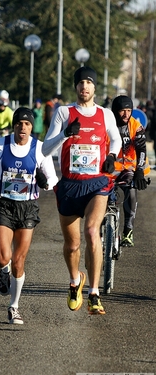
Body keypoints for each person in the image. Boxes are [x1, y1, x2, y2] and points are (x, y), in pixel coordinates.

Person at [42, 66, 122, 315]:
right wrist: (65, 134)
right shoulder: (63, 112)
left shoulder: (105, 114)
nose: (84, 87)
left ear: (95, 87)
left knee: (91, 231)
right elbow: (45, 150)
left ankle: (94, 294)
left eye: (89, 82)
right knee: (72, 246)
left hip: (97, 183)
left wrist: (111, 155)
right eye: (80, 83)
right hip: (69, 185)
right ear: (75, 87)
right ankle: (75, 281)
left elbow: (117, 139)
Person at [0, 107, 58, 324]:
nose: (22, 128)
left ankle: (14, 307)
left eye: (27, 124)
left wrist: (44, 182)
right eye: (19, 123)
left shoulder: (40, 149)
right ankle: (3, 270)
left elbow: (52, 179)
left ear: (31, 127)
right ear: (14, 125)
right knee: (2, 257)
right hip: (3, 205)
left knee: (19, 260)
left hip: (27, 207)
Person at [111, 95, 150, 247]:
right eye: (122, 111)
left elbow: (141, 149)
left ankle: (128, 231)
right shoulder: (108, 124)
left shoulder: (136, 125)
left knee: (131, 190)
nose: (126, 114)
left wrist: (139, 171)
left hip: (128, 168)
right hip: (109, 168)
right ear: (115, 111)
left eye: (129, 110)